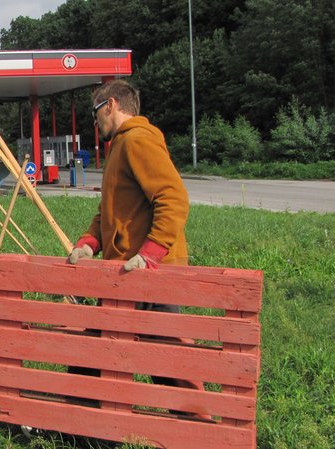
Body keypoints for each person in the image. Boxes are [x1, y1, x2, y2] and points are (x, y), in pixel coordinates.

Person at [67, 79, 210, 419]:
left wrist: (150, 254)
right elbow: (111, 210)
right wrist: (90, 242)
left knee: (163, 357)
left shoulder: (138, 140)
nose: (94, 121)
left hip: (148, 274)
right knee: (99, 349)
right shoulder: (121, 145)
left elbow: (173, 198)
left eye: (95, 112)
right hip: (126, 272)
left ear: (111, 105)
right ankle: (85, 421)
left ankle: (199, 425)